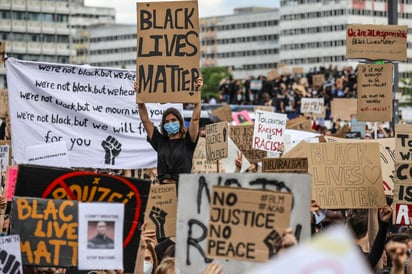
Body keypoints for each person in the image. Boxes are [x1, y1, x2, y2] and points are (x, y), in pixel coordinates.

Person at [135, 77, 202, 184]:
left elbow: (195, 118)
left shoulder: (188, 142)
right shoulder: (160, 141)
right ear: (163, 124)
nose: (170, 123)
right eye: (167, 121)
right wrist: (140, 98)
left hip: (183, 189)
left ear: (180, 122)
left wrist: (197, 93)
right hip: (163, 191)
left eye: (174, 120)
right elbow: (145, 120)